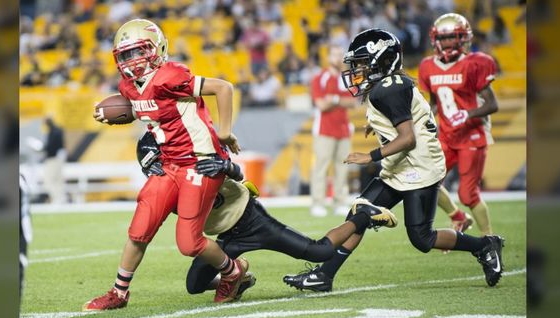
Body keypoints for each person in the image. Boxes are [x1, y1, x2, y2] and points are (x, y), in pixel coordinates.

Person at [283, 29, 505, 292]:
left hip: (419, 168)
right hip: (401, 165)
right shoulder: (389, 86)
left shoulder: (388, 89)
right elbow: (403, 120)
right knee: (358, 213)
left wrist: (371, 156)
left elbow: (408, 138)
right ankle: (324, 275)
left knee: (422, 239)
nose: (357, 70)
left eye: (363, 63)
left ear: (382, 60)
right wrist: (378, 128)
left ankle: (485, 245)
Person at [84, 18, 247, 310]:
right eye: (126, 55)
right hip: (169, 163)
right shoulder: (129, 87)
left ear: (157, 48)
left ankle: (233, 271)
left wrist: (223, 132)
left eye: (138, 52)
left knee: (189, 243)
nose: (132, 61)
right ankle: (119, 293)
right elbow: (152, 107)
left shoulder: (170, 75)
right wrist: (121, 114)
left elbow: (224, 88)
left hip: (200, 164)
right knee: (139, 228)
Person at [136, 131, 398, 297]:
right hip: (226, 236)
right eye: (155, 167)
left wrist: (225, 166)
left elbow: (237, 172)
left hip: (252, 219)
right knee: (195, 285)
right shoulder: (163, 187)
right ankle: (240, 277)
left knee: (319, 252)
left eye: (162, 163)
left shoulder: (197, 157)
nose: (161, 171)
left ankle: (362, 214)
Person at [418, 13, 499, 235]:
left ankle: (489, 240)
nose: (446, 43)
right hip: (446, 135)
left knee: (468, 195)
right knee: (427, 181)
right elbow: (434, 104)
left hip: (471, 135)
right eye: (442, 39)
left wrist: (467, 114)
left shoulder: (476, 63)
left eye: (452, 38)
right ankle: (458, 217)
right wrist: (419, 121)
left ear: (463, 38)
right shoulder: (427, 66)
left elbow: (492, 104)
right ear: (435, 40)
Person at [309, 44, 358, 217]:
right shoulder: (320, 77)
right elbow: (321, 104)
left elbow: (353, 102)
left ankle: (339, 202)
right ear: (328, 57)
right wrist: (340, 100)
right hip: (324, 130)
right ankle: (317, 203)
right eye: (335, 55)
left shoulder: (346, 78)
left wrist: (335, 99)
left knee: (342, 168)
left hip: (344, 129)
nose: (338, 59)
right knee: (321, 167)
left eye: (340, 55)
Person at [42, 117, 66, 204]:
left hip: (53, 159)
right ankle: (61, 198)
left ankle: (58, 198)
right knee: (58, 180)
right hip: (57, 159)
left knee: (49, 181)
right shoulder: (57, 131)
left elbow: (51, 147)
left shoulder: (54, 132)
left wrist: (43, 148)